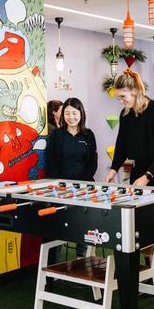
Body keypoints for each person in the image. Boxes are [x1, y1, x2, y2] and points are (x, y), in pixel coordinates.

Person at [46, 98, 97, 259]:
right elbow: (51, 161)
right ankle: (53, 266)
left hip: (84, 189)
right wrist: (63, 185)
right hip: (61, 190)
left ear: (81, 114)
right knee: (58, 228)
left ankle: (82, 260)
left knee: (83, 226)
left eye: (74, 113)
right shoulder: (57, 135)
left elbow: (92, 163)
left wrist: (81, 184)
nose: (71, 117)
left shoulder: (89, 135)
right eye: (67, 113)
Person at [105, 69, 154, 188]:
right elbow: (121, 145)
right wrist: (113, 169)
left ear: (135, 91)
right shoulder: (125, 114)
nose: (121, 101)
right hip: (138, 170)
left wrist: (147, 176)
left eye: (123, 96)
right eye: (118, 98)